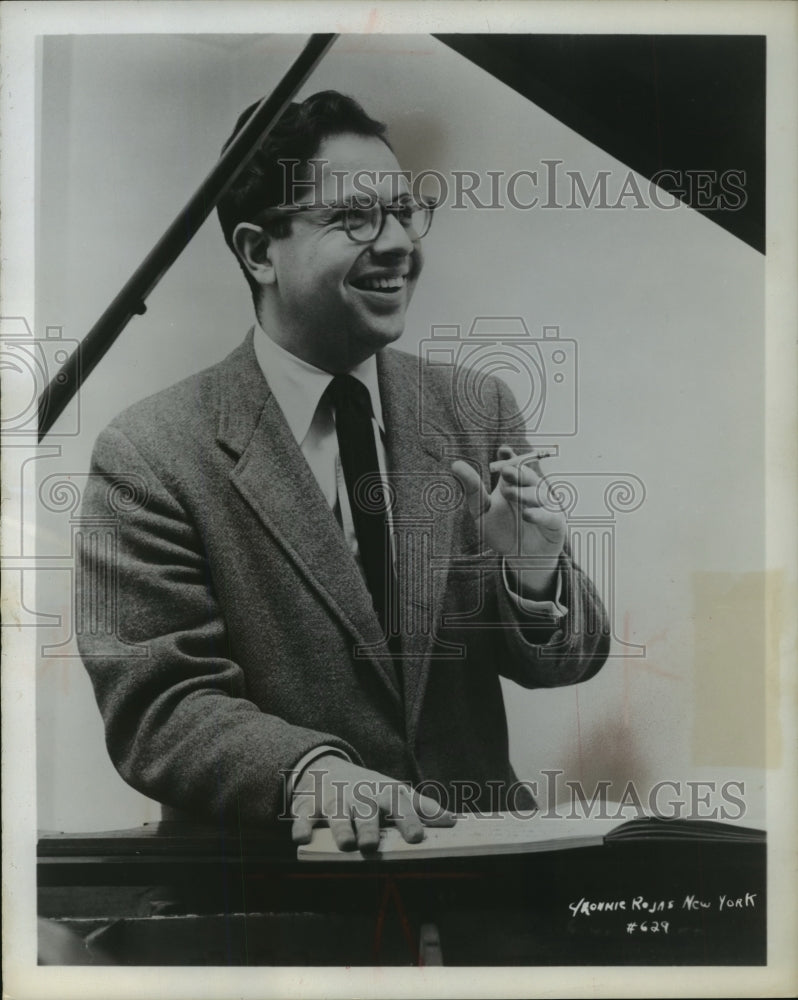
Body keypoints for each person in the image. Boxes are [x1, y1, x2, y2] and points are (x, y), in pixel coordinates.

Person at [77, 90, 609, 853]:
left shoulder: (474, 407)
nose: (397, 244)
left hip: (483, 888)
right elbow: (159, 704)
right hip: (275, 905)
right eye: (355, 218)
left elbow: (569, 661)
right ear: (260, 251)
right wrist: (310, 771)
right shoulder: (150, 453)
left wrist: (532, 574)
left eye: (404, 211)